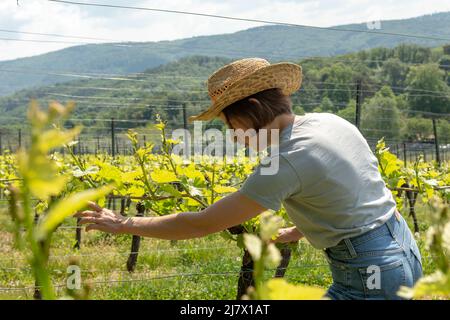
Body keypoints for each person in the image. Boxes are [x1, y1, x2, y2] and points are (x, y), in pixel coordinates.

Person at [76, 58, 423, 299]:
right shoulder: (329, 122)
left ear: (253, 109)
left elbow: (201, 224)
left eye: (232, 126)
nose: (234, 137)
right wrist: (299, 229)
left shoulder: (284, 160)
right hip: (401, 248)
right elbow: (354, 188)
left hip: (368, 272)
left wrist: (124, 223)